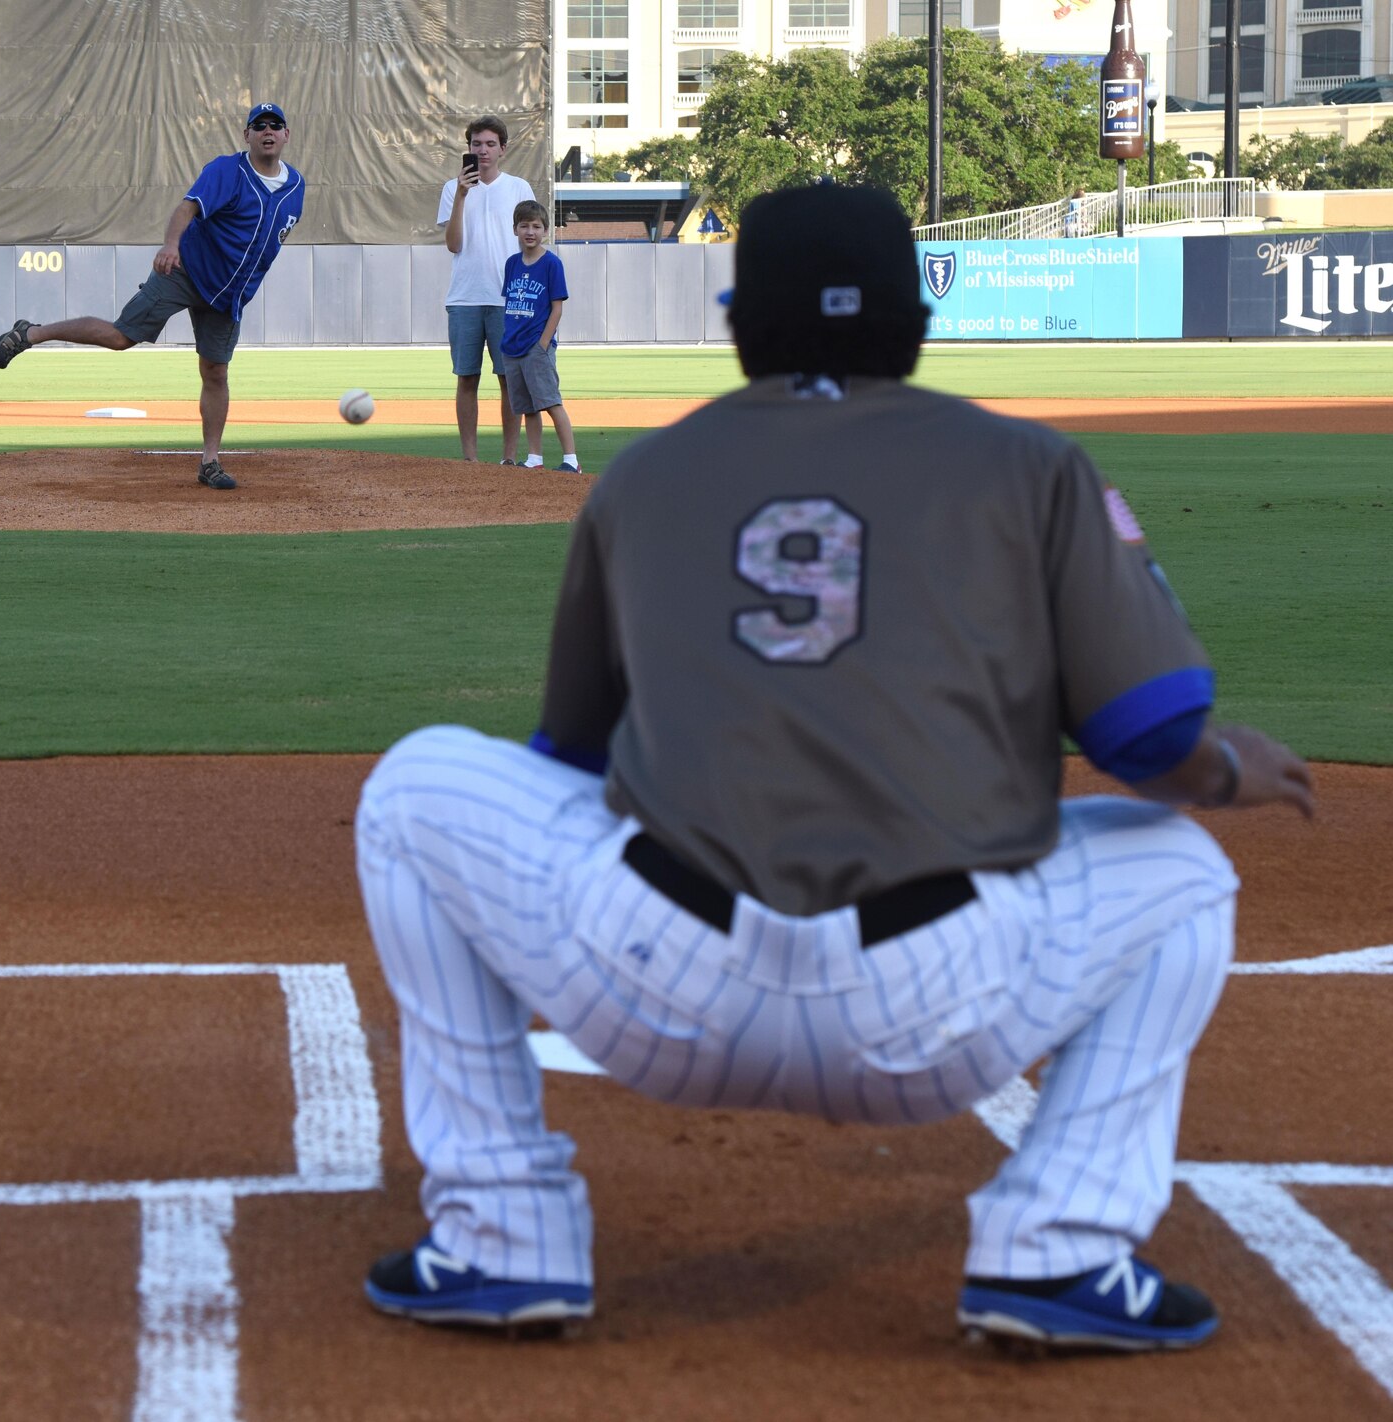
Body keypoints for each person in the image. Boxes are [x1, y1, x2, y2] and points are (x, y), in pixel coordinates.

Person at [353, 182, 1314, 1352]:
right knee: (1182, 871)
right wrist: (1227, 771)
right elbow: (1150, 744)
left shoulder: (647, 474)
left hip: (658, 988)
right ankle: (1057, 1254)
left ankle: (500, 1236)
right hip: (934, 1011)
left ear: (740, 323)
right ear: (911, 321)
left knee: (414, 792)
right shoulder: (1029, 466)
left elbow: (568, 760)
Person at [0, 103, 306, 491]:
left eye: (276, 125)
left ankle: (210, 462)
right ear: (247, 135)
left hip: (228, 296)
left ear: (287, 135)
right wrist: (170, 245)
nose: (268, 130)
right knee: (121, 337)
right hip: (185, 271)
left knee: (216, 371)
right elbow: (187, 208)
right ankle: (31, 333)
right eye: (259, 125)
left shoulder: (296, 187)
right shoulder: (227, 170)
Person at [439, 116, 535, 465]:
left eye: (490, 144)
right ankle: (470, 458)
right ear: (468, 148)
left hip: (507, 298)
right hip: (464, 296)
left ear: (503, 149)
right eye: (476, 144)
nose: (482, 151)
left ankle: (509, 458)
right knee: (467, 377)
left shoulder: (519, 188)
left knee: (509, 379)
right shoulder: (453, 188)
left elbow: (532, 240)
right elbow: (453, 244)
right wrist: (462, 195)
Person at [497, 200, 581, 474]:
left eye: (536, 226)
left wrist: (543, 343)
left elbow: (557, 307)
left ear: (545, 231)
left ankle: (571, 459)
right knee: (528, 406)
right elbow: (510, 303)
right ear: (515, 229)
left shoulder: (551, 264)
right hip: (513, 346)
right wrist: (508, 339)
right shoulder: (512, 264)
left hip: (536, 345)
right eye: (524, 226)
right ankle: (534, 457)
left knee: (551, 402)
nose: (530, 231)